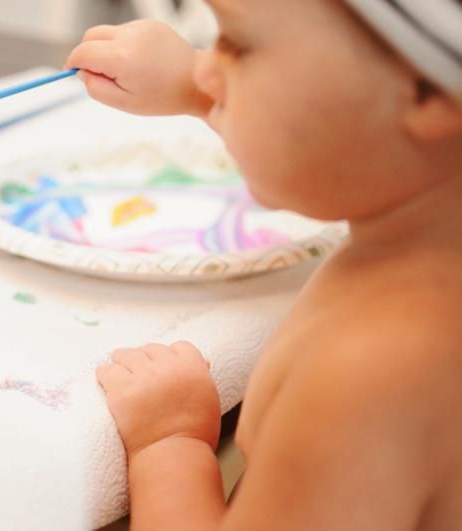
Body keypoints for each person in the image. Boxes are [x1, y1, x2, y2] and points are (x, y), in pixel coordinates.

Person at [65, 1, 462, 529]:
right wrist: (189, 85)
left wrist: (170, 441)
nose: (208, 65)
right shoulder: (430, 230)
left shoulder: (371, 373)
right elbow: (332, 126)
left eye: (237, 45)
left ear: (429, 90)